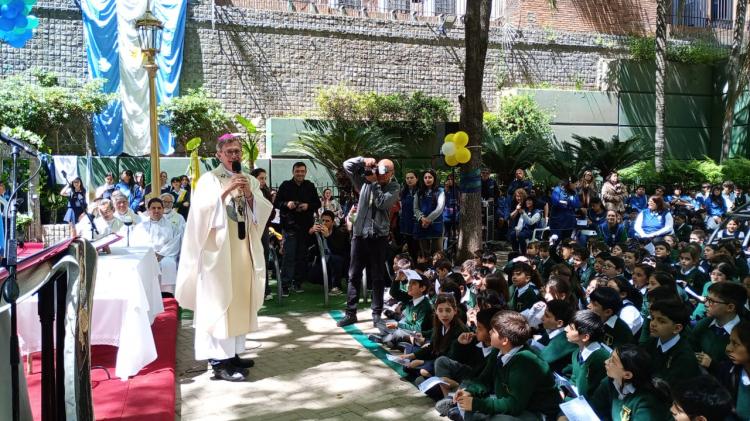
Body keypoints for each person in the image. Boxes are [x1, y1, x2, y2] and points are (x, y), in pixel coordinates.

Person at [175, 134, 273, 382]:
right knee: (220, 304)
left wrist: (250, 195)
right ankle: (219, 362)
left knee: (239, 301)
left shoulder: (249, 178)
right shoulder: (210, 180)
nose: (234, 155)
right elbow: (199, 213)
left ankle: (233, 354)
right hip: (218, 253)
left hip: (242, 249)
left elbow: (262, 210)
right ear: (219, 155)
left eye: (237, 151)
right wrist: (226, 191)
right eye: (229, 151)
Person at [336, 156, 400, 328]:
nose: (380, 173)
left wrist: (375, 184)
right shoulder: (364, 183)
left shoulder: (394, 187)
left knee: (377, 277)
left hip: (378, 238)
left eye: (384, 170)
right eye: (379, 168)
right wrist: (364, 160)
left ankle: (376, 314)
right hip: (359, 236)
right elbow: (346, 164)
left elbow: (382, 203)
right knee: (353, 275)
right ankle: (351, 313)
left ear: (392, 173)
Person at [273, 162, 321, 296]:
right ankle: (285, 285)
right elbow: (277, 203)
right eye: (297, 171)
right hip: (290, 227)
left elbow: (317, 203)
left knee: (302, 256)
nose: (300, 173)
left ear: (305, 172)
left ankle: (298, 282)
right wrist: (287, 204)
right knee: (289, 256)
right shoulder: (285, 185)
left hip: (305, 227)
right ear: (293, 171)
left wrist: (307, 206)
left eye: (302, 171)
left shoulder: (310, 186)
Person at [132, 198, 182, 295]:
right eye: (153, 208)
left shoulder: (172, 226)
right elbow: (137, 243)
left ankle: (167, 294)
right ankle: (147, 293)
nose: (156, 211)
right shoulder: (141, 227)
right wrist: (150, 254)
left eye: (159, 208)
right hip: (146, 256)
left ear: (163, 210)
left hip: (166, 255)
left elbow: (175, 242)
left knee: (168, 264)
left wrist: (161, 254)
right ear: (148, 210)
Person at [251, 167, 274, 300]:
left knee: (263, 258)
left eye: (265, 178)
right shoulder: (248, 191)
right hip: (250, 229)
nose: (263, 181)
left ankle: (265, 289)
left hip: (263, 228)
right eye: (261, 178)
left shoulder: (265, 191)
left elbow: (270, 211)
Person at [413, 169, 445, 256]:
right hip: (422, 225)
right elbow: (415, 208)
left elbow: (440, 208)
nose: (428, 179)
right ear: (423, 179)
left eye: (430, 177)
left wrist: (428, 220)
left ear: (434, 178)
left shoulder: (440, 191)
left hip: (436, 224)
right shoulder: (418, 192)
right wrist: (422, 218)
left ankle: (439, 269)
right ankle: (426, 268)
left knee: (437, 253)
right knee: (424, 252)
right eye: (425, 177)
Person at [400, 171, 420, 261]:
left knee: (418, 248)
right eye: (407, 178)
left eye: (412, 178)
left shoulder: (420, 191)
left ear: (417, 179)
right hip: (406, 223)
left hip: (418, 223)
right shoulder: (403, 192)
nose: (409, 180)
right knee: (410, 247)